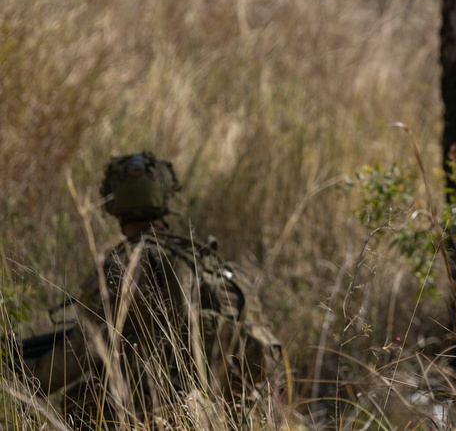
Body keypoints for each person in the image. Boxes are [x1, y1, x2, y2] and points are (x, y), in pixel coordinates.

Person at [15, 151, 283, 428]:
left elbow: (81, 352)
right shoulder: (212, 264)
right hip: (231, 417)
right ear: (166, 198)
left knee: (83, 398)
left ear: (112, 204)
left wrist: (20, 379)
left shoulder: (122, 271)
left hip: (157, 416)